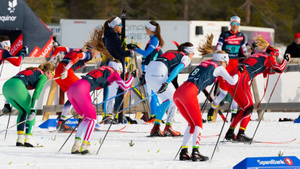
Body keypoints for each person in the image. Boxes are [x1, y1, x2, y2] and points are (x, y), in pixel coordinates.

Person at [174, 34, 239, 161]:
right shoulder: (219, 67)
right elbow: (232, 82)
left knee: (192, 124)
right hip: (189, 92)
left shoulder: (205, 62)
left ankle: (184, 152)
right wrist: (238, 72)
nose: (226, 65)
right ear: (223, 61)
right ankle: (196, 152)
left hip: (179, 92)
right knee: (198, 124)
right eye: (226, 63)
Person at [224, 35, 290, 142]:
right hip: (242, 77)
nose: (275, 59)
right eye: (276, 57)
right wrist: (286, 60)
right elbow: (279, 68)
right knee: (249, 107)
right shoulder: (269, 57)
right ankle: (241, 133)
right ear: (274, 54)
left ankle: (230, 133)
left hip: (231, 76)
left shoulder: (258, 55)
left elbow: (264, 70)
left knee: (244, 107)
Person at [69, 59, 138, 154]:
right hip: (81, 89)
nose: (120, 73)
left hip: (72, 89)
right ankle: (85, 145)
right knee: (92, 119)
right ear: (118, 68)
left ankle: (76, 146)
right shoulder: (114, 73)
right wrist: (132, 76)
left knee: (85, 118)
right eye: (121, 71)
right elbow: (125, 86)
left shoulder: (102, 69)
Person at [54, 27, 102, 130]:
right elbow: (80, 56)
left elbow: (58, 49)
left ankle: (61, 122)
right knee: (83, 92)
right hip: (66, 72)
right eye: (98, 51)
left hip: (58, 72)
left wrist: (52, 59)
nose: (98, 53)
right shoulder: (88, 54)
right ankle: (83, 121)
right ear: (93, 49)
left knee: (73, 98)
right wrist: (67, 68)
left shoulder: (74, 49)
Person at [145, 42, 194, 137]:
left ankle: (156, 127)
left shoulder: (171, 51)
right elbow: (177, 70)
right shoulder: (186, 57)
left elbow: (153, 61)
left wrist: (144, 76)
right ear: (189, 52)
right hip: (159, 74)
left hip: (149, 74)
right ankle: (168, 127)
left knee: (166, 100)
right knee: (176, 99)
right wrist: (167, 82)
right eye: (193, 53)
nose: (193, 56)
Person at [207, 16, 249, 122]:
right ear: (230, 24)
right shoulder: (224, 34)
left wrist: (251, 53)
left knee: (235, 92)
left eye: (237, 24)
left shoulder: (241, 36)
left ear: (239, 25)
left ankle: (233, 114)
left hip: (235, 65)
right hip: (225, 65)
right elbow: (218, 48)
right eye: (233, 24)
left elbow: (245, 51)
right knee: (223, 93)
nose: (235, 26)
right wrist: (222, 53)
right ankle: (212, 109)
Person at [2, 62, 54, 147]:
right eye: (53, 74)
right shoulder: (43, 76)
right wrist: (33, 109)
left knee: (23, 111)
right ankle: (29, 139)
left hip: (6, 87)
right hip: (17, 86)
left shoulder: (31, 70)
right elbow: (37, 92)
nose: (53, 77)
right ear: (49, 72)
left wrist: (7, 104)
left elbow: (14, 81)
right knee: (31, 111)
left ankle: (20, 139)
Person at [127, 20, 164, 122]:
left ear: (150, 29)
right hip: (148, 68)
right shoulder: (152, 39)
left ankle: (154, 116)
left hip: (149, 68)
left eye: (146, 28)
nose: (145, 30)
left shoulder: (154, 39)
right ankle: (155, 116)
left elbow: (147, 53)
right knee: (151, 93)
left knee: (151, 93)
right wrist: (136, 48)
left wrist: (135, 49)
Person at [102, 16, 131, 123]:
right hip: (115, 64)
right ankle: (108, 115)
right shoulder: (113, 36)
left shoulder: (111, 34)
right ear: (114, 26)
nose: (121, 26)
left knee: (114, 92)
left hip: (115, 64)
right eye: (120, 25)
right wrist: (129, 53)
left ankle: (111, 114)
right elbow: (118, 52)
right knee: (112, 92)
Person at [0, 35, 28, 114]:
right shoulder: (3, 51)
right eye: (8, 47)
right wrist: (23, 53)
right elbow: (17, 63)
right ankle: (7, 104)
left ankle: (7, 104)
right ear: (5, 45)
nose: (8, 49)